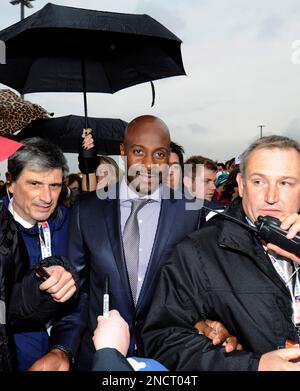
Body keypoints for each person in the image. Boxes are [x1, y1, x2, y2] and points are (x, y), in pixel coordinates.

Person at [142, 135, 300, 371]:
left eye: (285, 183)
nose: (271, 197)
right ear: (242, 185)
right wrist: (252, 366)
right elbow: (163, 341)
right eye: (259, 182)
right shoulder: (199, 251)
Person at [68, 115, 208, 370]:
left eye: (159, 155)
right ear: (123, 151)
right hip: (98, 356)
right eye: (138, 151)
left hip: (167, 358)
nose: (148, 164)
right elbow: (76, 292)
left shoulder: (190, 212)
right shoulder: (87, 209)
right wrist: (62, 349)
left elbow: (194, 287)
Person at [4, 137, 87, 371]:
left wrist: (62, 349)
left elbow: (85, 293)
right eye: (35, 184)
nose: (47, 197)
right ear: (11, 182)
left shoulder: (74, 225)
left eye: (55, 185)